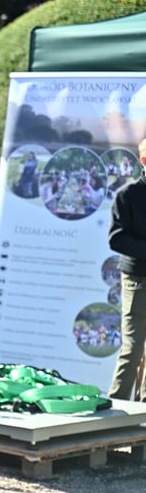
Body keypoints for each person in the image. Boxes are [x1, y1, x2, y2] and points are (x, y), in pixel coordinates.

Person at [107, 137, 146, 402]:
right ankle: (117, 413)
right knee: (132, 350)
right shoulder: (127, 194)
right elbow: (116, 239)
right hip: (137, 280)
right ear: (144, 161)